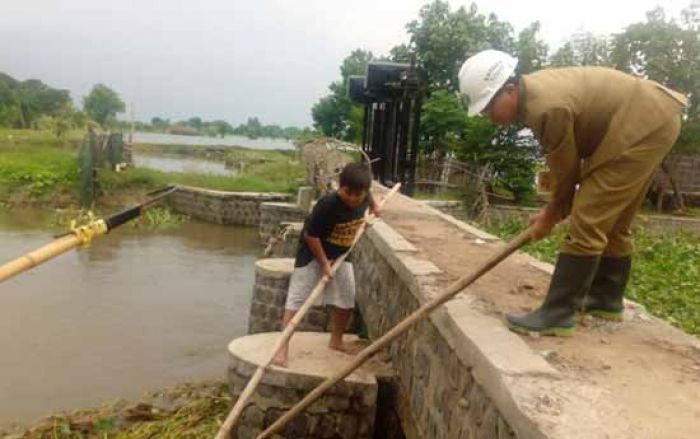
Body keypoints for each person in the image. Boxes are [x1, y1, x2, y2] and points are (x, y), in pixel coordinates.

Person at [457, 50, 688, 336]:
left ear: (509, 89)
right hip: (655, 116)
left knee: (589, 216)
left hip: (642, 124)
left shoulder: (545, 108)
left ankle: (558, 313)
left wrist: (551, 214)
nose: (488, 116)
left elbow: (566, 175)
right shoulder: (536, 96)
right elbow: (567, 171)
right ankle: (605, 299)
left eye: (488, 107)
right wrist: (552, 211)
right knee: (613, 218)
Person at [273, 162, 380, 366]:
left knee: (347, 297)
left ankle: (336, 340)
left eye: (358, 195)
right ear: (340, 187)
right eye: (348, 193)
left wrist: (374, 206)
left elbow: (370, 196)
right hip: (313, 254)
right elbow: (311, 236)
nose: (353, 198)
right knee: (296, 300)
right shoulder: (327, 204)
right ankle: (281, 348)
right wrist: (324, 263)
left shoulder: (364, 196)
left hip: (341, 253)